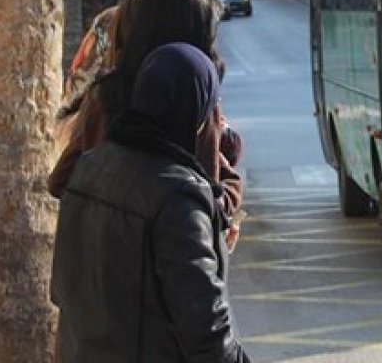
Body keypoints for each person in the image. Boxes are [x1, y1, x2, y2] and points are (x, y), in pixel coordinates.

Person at [51, 43, 250, 362]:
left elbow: (66, 290)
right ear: (194, 111)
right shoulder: (179, 198)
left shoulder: (89, 167)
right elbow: (207, 334)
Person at [48, 0, 244, 247]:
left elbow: (61, 181)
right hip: (176, 255)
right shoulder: (192, 97)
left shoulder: (106, 93)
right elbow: (208, 193)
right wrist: (227, 203)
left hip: (103, 257)